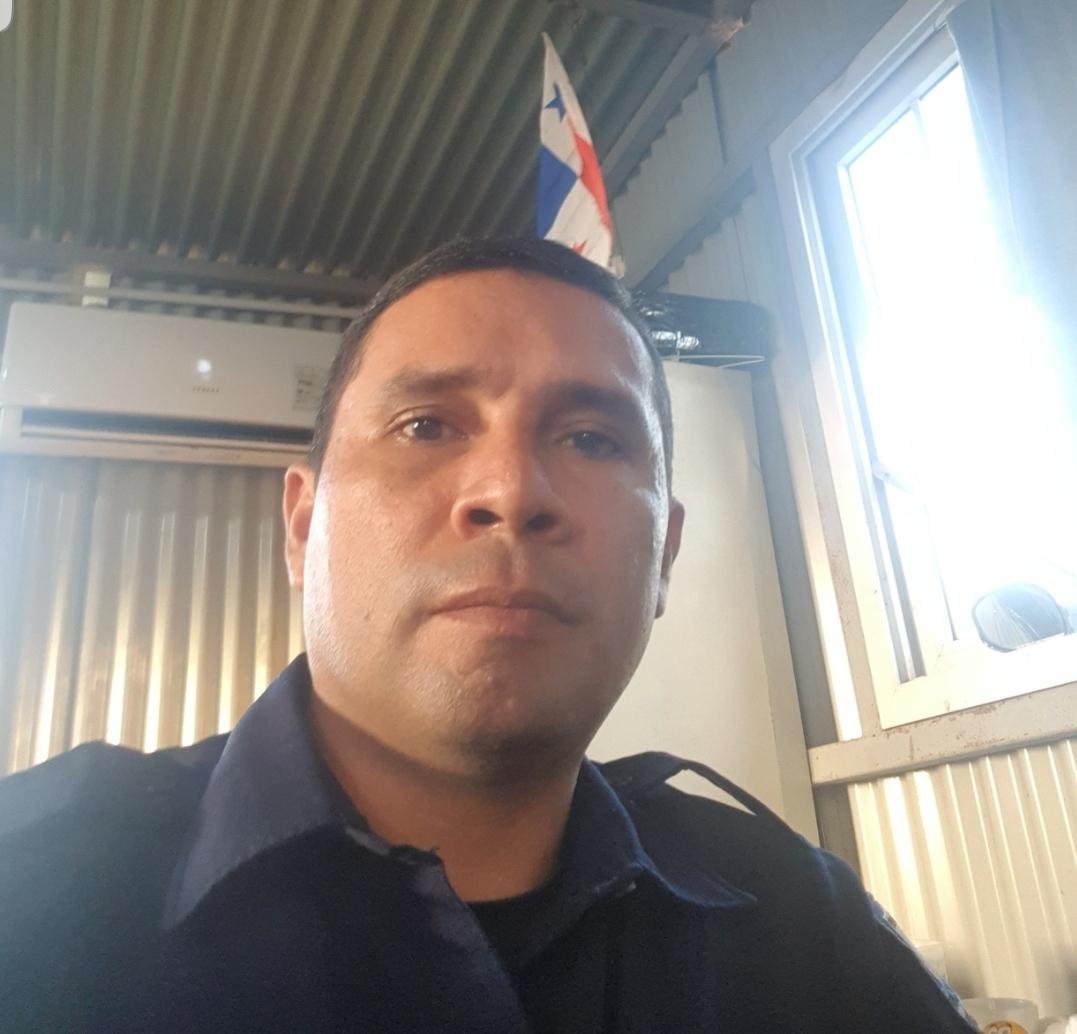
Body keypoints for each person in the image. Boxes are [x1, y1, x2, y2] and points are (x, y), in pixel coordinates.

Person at [0, 238, 974, 1033]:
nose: (511, 492)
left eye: (591, 438)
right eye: (426, 426)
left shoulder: (806, 931)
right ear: (302, 527)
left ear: (665, 554)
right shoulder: (32, 886)